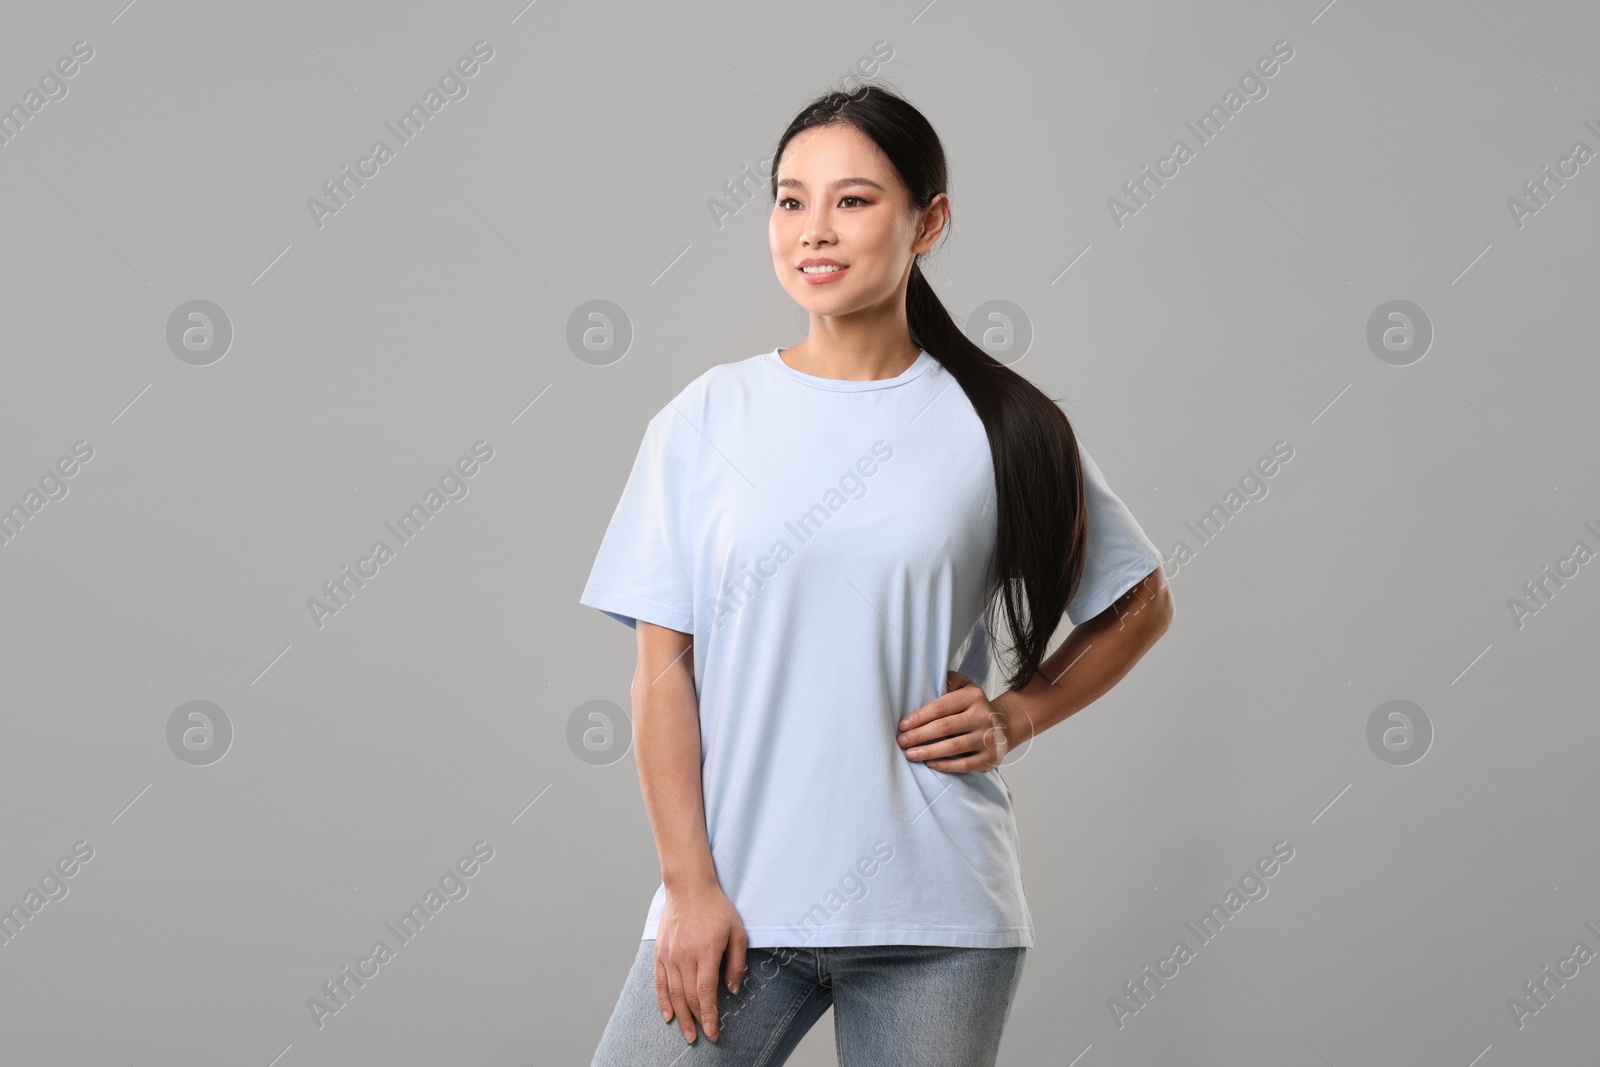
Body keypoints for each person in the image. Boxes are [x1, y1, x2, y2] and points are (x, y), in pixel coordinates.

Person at [580, 84, 1174, 1066]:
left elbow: (1139, 602)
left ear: (926, 220)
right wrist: (688, 886)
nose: (813, 230)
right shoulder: (705, 420)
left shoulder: (1004, 424)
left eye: (852, 200)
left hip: (938, 911)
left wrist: (1015, 713)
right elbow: (660, 674)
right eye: (789, 199)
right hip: (738, 902)